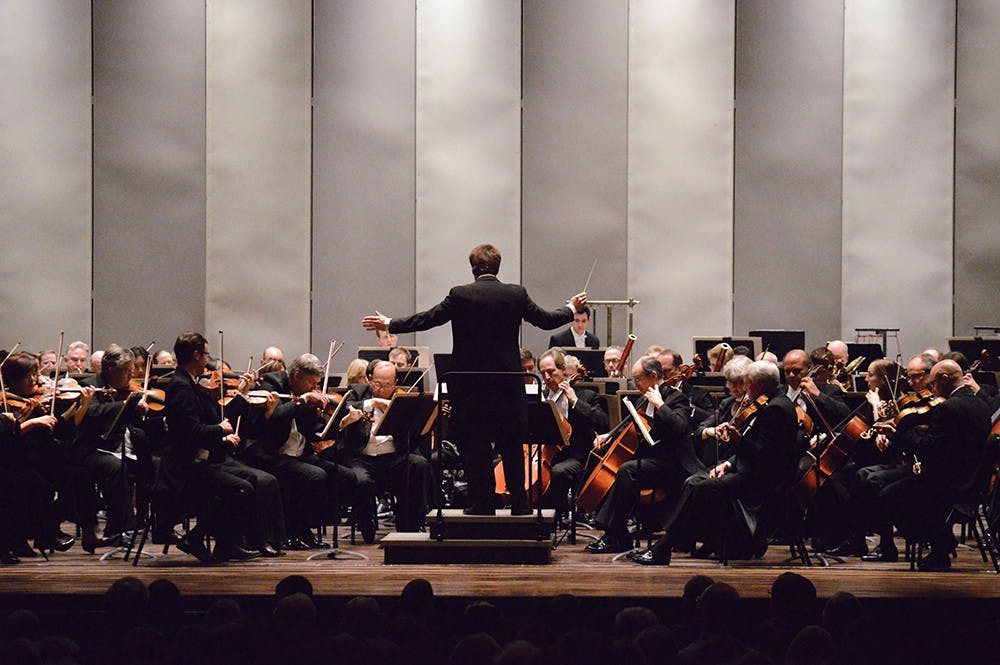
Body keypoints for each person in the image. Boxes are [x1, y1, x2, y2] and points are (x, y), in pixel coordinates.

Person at [362, 243, 586, 516]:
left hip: (470, 387)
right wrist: (571, 308)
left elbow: (428, 319)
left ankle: (483, 502)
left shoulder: (460, 295)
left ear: (473, 268)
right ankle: (520, 504)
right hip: (507, 386)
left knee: (475, 444)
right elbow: (546, 320)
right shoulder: (516, 294)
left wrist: (390, 323)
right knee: (511, 445)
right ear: (498, 267)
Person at [631, 360, 799, 564]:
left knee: (702, 488)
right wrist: (727, 464)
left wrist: (738, 440)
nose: (745, 389)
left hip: (764, 481)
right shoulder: (770, 403)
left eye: (748, 384)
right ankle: (709, 541)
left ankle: (664, 547)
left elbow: (764, 456)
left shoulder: (776, 409)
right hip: (752, 472)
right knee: (695, 482)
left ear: (759, 385)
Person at [162, 332, 283, 562]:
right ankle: (210, 540)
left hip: (199, 461)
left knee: (247, 481)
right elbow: (191, 432)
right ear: (196, 355)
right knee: (241, 489)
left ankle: (224, 543)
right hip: (184, 468)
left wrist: (240, 396)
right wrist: (220, 430)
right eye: (206, 355)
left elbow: (213, 418)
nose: (208, 361)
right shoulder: (181, 387)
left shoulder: (188, 383)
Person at [881, 359, 990, 571]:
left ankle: (939, 544)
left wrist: (899, 435)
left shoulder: (948, 407)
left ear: (944, 379)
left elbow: (929, 448)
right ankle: (940, 542)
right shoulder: (980, 404)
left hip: (950, 481)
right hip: (972, 477)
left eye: (933, 383)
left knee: (888, 496)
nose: (932, 389)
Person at [242, 353, 356, 549]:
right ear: (296, 376)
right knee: (314, 476)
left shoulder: (308, 394)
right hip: (271, 454)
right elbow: (275, 417)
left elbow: (314, 433)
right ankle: (296, 530)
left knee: (345, 476)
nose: (315, 388)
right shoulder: (270, 384)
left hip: (299, 453)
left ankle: (310, 523)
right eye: (312, 383)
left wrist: (339, 423)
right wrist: (301, 401)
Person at [585, 356, 697, 554]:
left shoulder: (676, 398)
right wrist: (609, 436)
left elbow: (681, 427)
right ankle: (615, 533)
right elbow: (630, 427)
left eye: (638, 379)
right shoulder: (641, 399)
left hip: (674, 464)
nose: (634, 384)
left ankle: (615, 535)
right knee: (621, 467)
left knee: (628, 470)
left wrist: (661, 405)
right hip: (652, 462)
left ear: (653, 376)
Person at [335, 361, 433, 539]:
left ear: (395, 382)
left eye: (388, 385)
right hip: (362, 457)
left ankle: (410, 524)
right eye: (378, 384)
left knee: (419, 464)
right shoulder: (357, 391)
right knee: (360, 480)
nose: (382, 389)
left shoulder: (402, 399)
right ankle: (367, 525)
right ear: (369, 379)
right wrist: (372, 403)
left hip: (393, 457)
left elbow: (415, 434)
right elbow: (344, 408)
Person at [535, 349, 608, 511]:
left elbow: (603, 422)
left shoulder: (586, 395)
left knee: (559, 471)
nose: (547, 377)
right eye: (542, 373)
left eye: (551, 372)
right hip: (544, 454)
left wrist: (575, 401)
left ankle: (557, 515)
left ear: (563, 370)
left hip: (575, 455)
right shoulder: (541, 396)